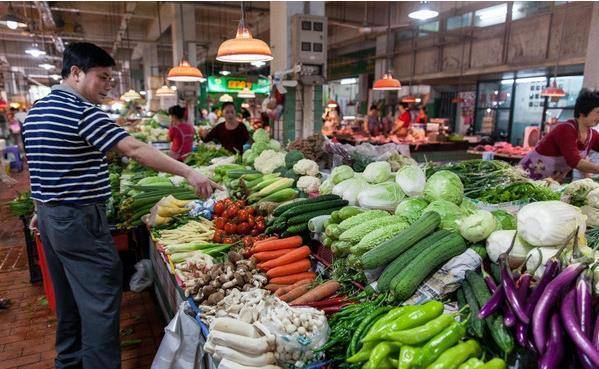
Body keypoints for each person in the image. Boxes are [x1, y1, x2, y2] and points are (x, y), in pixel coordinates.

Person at [22, 42, 220, 369]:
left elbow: (42, 165)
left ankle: (68, 363)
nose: (107, 86)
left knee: (70, 302)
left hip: (50, 217)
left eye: (110, 79)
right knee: (100, 300)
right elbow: (133, 148)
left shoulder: (38, 112)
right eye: (102, 77)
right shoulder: (81, 111)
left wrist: (39, 206)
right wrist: (188, 171)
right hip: (80, 220)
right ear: (75, 73)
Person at [519, 89, 599, 181]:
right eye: (598, 112)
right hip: (527, 176)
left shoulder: (593, 135)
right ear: (582, 112)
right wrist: (597, 169)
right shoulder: (566, 129)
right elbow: (574, 161)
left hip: (550, 181)